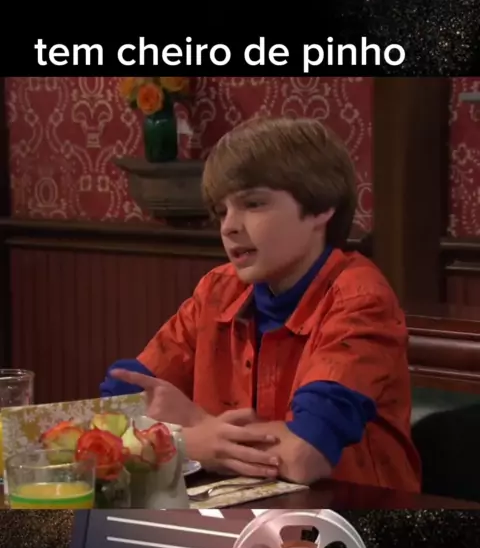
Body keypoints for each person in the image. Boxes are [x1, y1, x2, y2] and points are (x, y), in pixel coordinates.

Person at [101, 116, 421, 492]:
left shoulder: (360, 298)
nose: (229, 227)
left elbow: (303, 456)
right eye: (222, 211)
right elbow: (117, 406)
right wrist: (194, 437)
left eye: (253, 204)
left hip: (353, 513)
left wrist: (194, 429)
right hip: (240, 509)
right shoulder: (218, 289)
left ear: (321, 208)